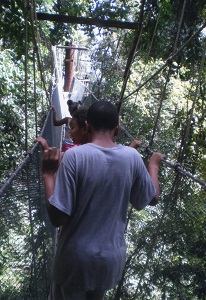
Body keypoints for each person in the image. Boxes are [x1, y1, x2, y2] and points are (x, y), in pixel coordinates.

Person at [40, 100, 165, 300]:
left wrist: (48, 174)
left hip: (75, 261)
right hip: (109, 262)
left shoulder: (74, 156)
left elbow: (58, 217)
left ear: (87, 126)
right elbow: (153, 198)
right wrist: (154, 166)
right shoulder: (132, 157)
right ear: (116, 130)